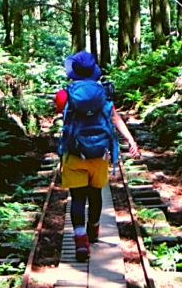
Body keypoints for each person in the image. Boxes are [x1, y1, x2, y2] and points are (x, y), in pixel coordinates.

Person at [54, 51, 137, 262]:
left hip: (74, 154)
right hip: (100, 155)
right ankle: (94, 230)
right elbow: (115, 118)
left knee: (78, 198)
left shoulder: (64, 94)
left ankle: (81, 241)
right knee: (96, 194)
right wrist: (130, 140)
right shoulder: (104, 93)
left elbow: (61, 114)